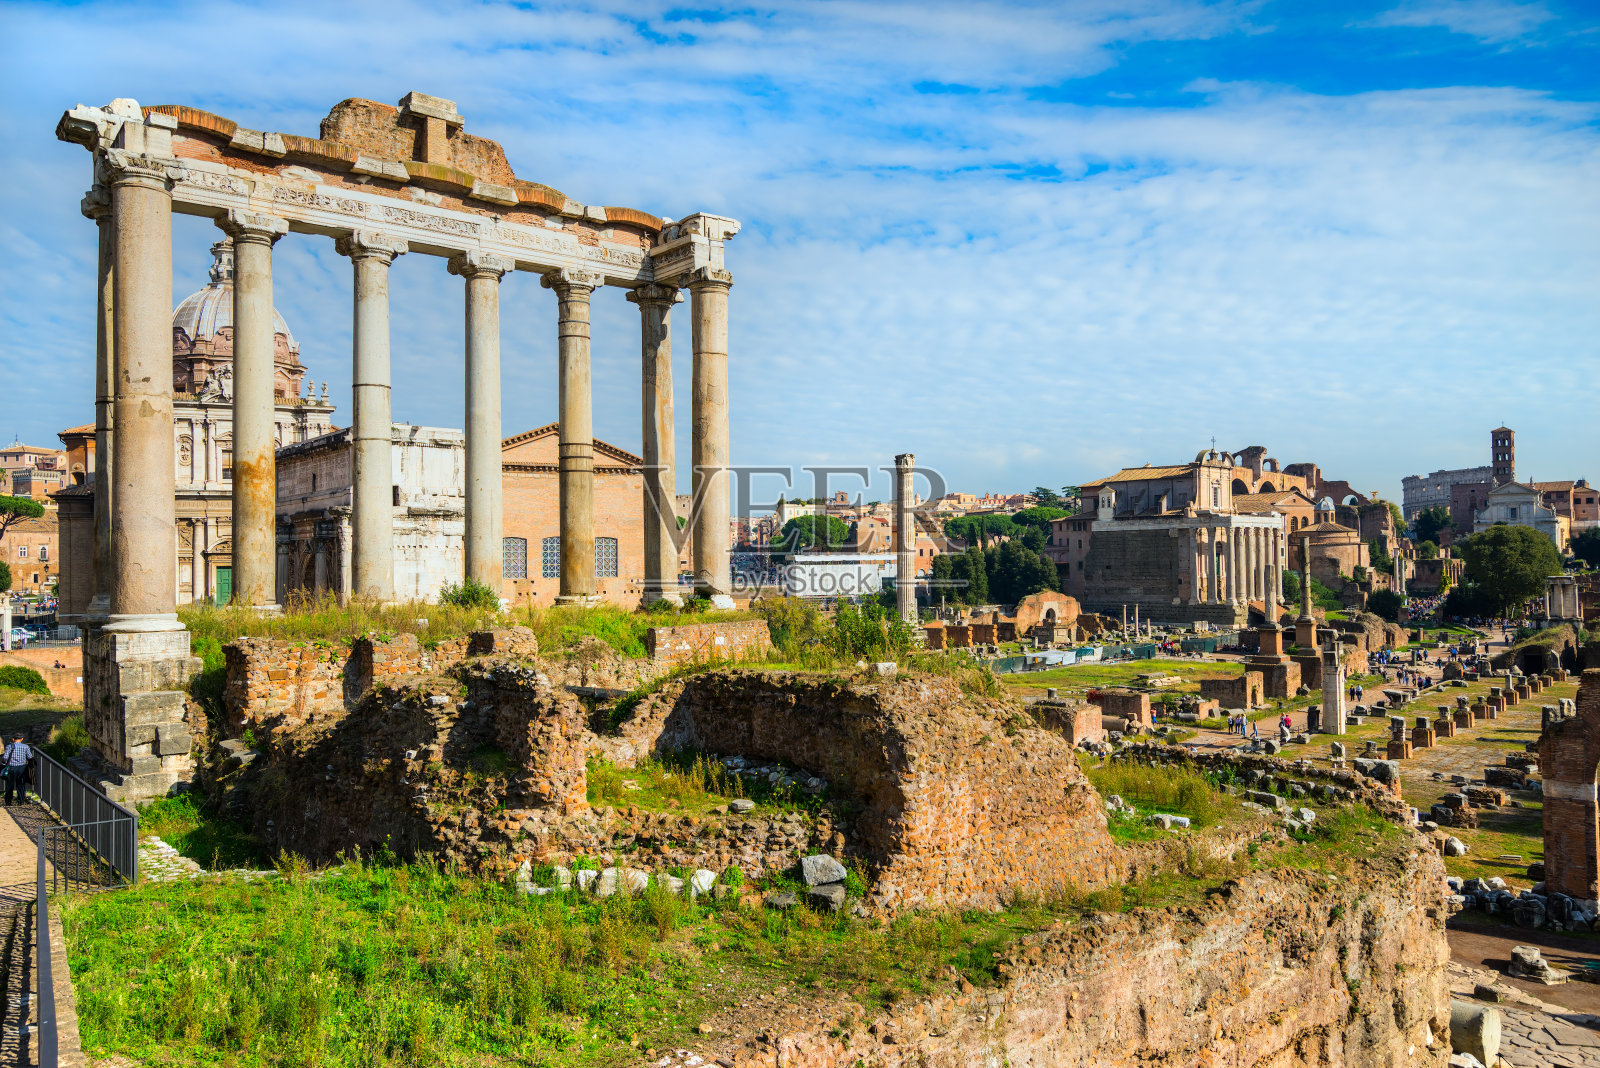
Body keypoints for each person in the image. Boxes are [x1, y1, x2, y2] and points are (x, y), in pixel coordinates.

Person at [2, 735, 32, 806]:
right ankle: (20, 801)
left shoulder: (9, 746)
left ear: (13, 739)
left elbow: (5, 757)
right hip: (22, 768)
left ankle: (8, 802)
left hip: (11, 768)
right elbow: (30, 757)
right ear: (22, 739)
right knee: (21, 785)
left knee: (9, 785)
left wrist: (4, 764)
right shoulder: (26, 747)